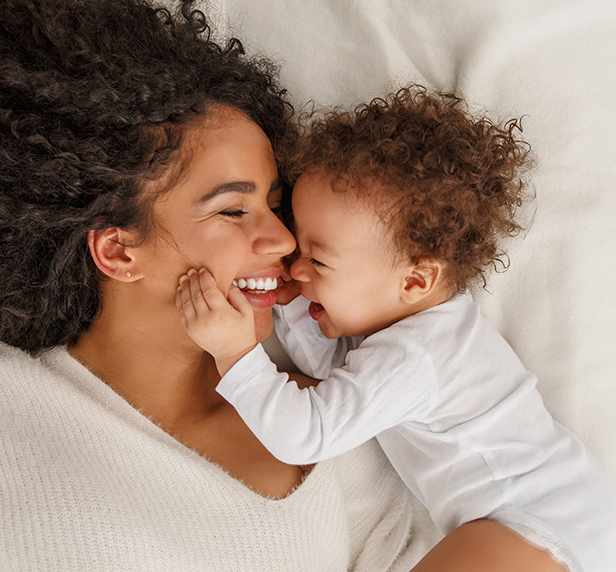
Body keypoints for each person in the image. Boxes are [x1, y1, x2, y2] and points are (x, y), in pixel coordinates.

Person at [177, 86, 616, 572]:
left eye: (317, 260)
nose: (295, 268)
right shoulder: (416, 325)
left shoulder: (418, 355)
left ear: (415, 278)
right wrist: (295, 297)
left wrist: (236, 355)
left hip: (534, 525)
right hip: (555, 519)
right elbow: (332, 371)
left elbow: (310, 431)